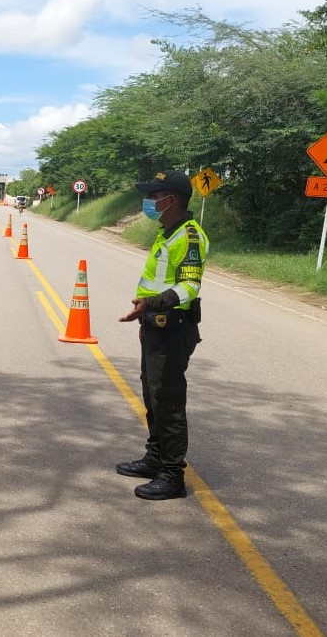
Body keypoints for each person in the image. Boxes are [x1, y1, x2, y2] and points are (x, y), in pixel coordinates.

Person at [116, 170, 209, 501]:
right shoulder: (168, 232)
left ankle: (172, 475)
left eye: (155, 196)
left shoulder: (190, 236)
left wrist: (153, 302)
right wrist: (146, 311)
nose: (150, 202)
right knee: (153, 396)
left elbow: (189, 285)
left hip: (173, 329)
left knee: (168, 402)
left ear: (171, 199)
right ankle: (155, 458)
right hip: (154, 325)